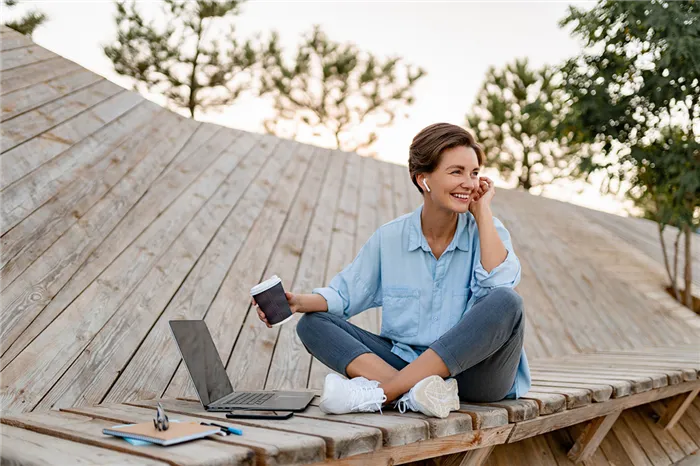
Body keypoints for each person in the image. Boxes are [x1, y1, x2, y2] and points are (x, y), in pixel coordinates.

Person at [254, 123, 530, 419]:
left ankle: (388, 392)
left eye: (474, 173)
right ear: (423, 179)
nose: (470, 183)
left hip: (478, 377)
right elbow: (346, 295)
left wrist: (483, 211)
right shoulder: (390, 238)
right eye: (457, 172)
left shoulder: (486, 230)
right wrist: (297, 302)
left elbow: (499, 286)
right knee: (311, 325)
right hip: (405, 361)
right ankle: (418, 395)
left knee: (507, 301)